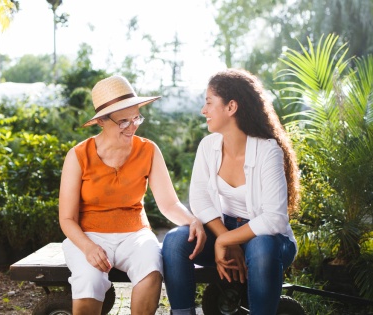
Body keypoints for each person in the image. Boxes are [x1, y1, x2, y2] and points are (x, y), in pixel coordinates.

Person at [59, 75, 206, 315]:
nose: (133, 126)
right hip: (89, 236)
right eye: (123, 121)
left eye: (136, 117)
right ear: (101, 122)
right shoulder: (77, 156)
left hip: (135, 234)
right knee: (89, 281)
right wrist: (87, 247)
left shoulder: (148, 150)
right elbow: (66, 219)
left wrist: (192, 221)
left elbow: (168, 204)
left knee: (151, 269)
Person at [162, 68, 300, 315]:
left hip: (268, 240)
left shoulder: (268, 151)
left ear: (231, 107)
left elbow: (275, 219)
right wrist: (224, 234)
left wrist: (226, 240)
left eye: (208, 103)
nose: (203, 111)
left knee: (262, 247)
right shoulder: (208, 146)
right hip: (223, 227)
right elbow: (200, 199)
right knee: (174, 242)